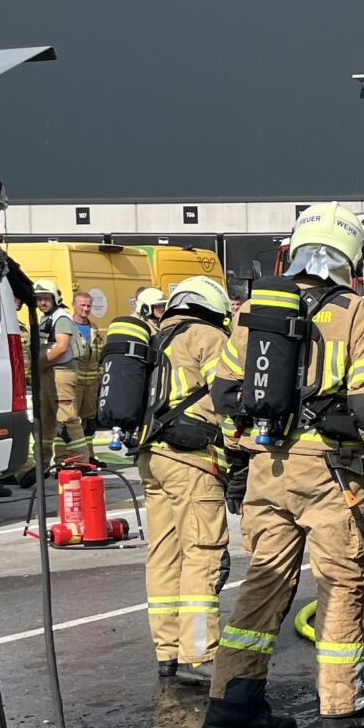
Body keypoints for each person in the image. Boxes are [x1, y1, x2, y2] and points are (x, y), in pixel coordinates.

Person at [205, 203, 364, 728]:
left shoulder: (255, 309)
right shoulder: (357, 312)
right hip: (331, 474)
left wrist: (239, 456)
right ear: (351, 256)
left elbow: (224, 393)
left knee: (264, 583)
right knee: (340, 585)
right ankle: (342, 709)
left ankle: (233, 701)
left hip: (267, 467)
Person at [139, 276, 235, 686]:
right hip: (192, 460)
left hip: (152, 458)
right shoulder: (207, 337)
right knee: (202, 553)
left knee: (164, 553)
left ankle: (167, 651)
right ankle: (199, 653)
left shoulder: (155, 338)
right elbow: (228, 396)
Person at [31, 281, 87, 466]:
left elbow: (62, 347)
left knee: (66, 419)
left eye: (46, 298)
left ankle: (80, 462)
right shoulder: (47, 318)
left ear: (55, 298)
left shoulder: (61, 318)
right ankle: (42, 464)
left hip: (61, 372)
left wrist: (39, 365)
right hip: (49, 372)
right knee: (45, 419)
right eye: (39, 299)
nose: (42, 302)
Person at [71, 291, 104, 449]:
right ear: (73, 305)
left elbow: (100, 354)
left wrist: (100, 377)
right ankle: (68, 455)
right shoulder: (67, 327)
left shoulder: (94, 328)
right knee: (70, 419)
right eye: (82, 305)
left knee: (89, 420)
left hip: (91, 384)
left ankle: (89, 454)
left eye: (88, 306)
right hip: (74, 382)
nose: (85, 309)